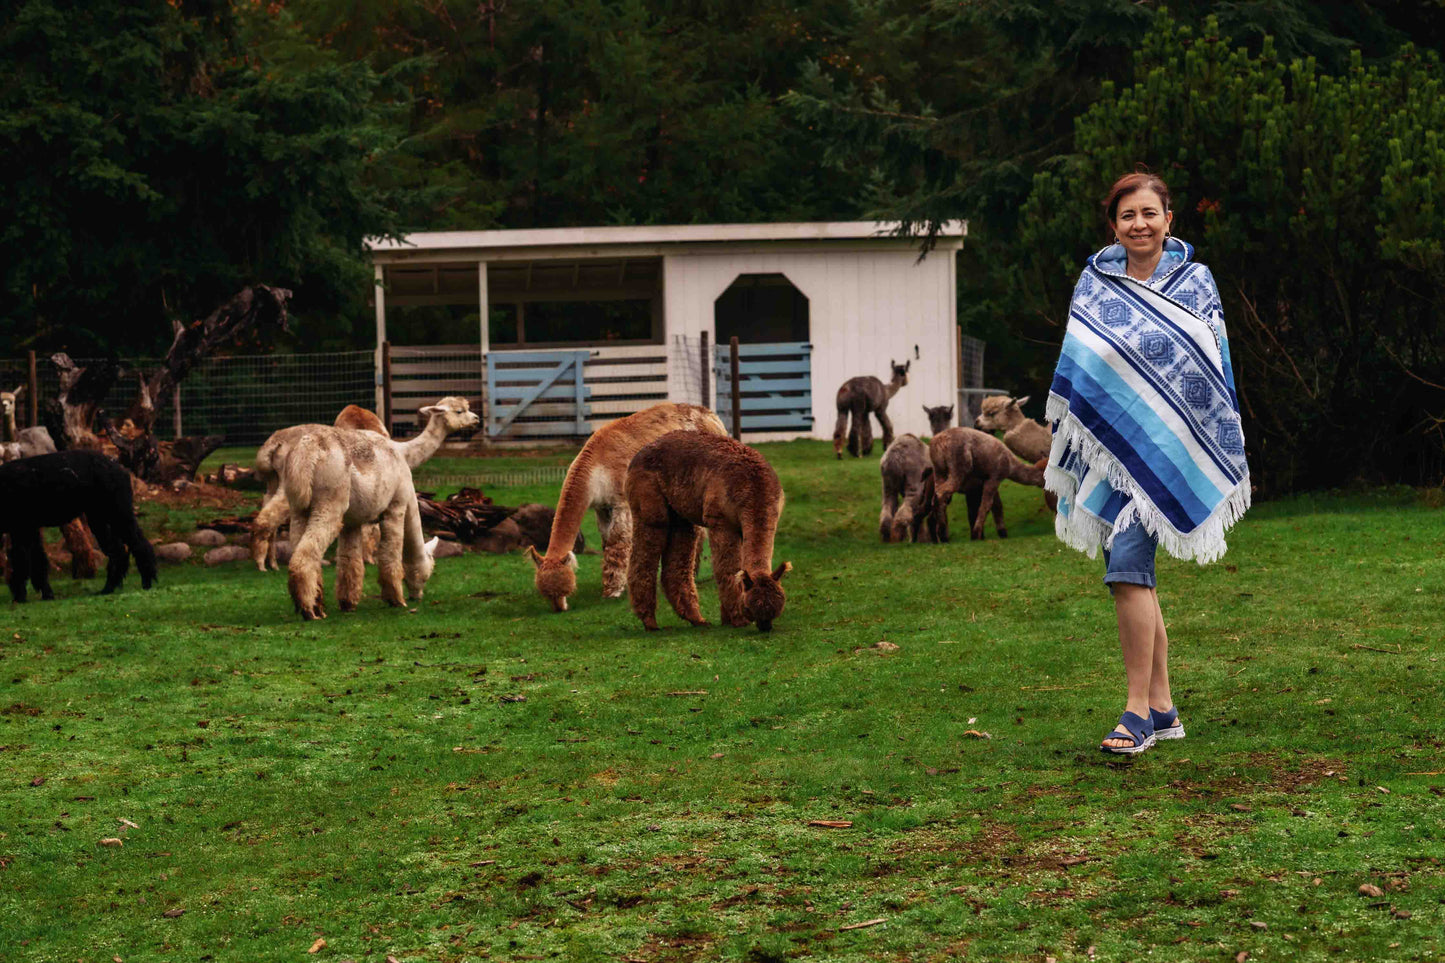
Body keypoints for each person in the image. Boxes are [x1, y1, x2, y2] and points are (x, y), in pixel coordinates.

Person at [1044, 170, 1251, 755]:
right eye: (1127, 215)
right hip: (1110, 450)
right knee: (1133, 575)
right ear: (1114, 225)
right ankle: (1162, 707)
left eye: (1149, 213)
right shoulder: (1095, 281)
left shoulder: (1195, 281)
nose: (1139, 224)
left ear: (1168, 220)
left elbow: (1210, 369)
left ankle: (1135, 713)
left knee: (1127, 571)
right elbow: (1082, 364)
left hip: (1173, 445)